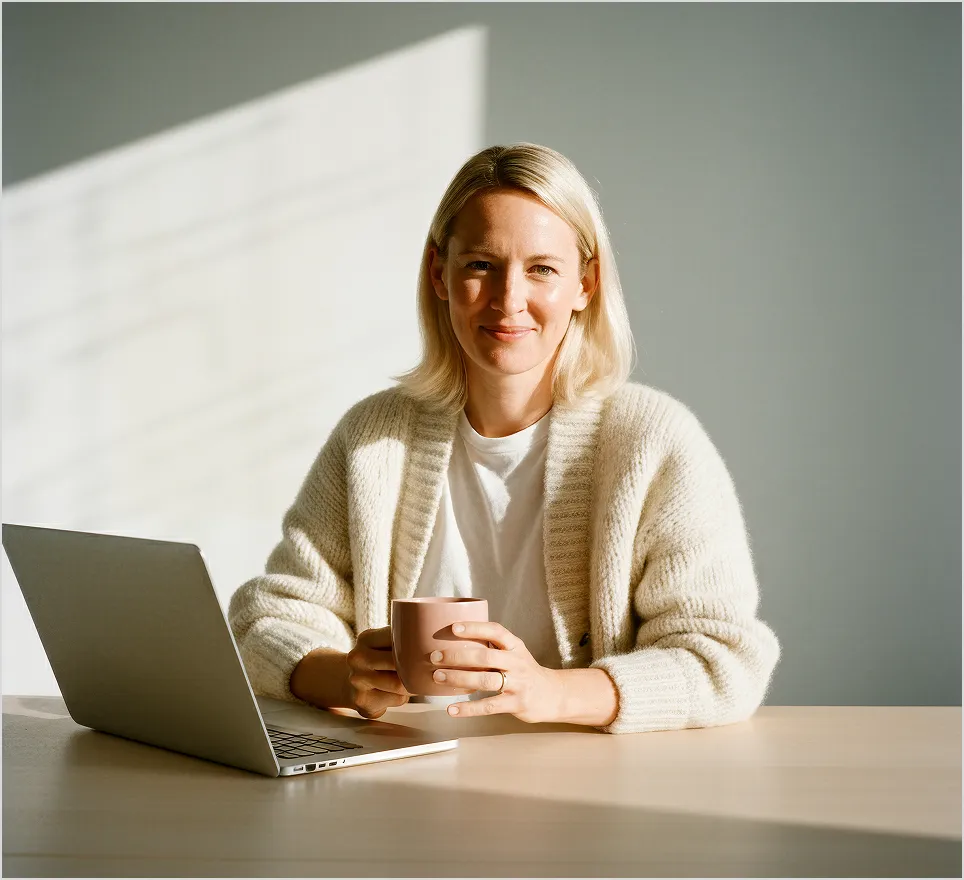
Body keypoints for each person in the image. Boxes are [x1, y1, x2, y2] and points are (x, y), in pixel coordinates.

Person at [228, 142, 780, 734]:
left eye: (541, 269)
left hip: (588, 791)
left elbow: (723, 660)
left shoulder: (652, 444)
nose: (508, 300)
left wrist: (553, 692)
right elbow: (268, 617)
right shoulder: (375, 438)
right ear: (440, 274)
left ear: (585, 285)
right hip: (402, 777)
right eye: (481, 265)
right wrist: (345, 677)